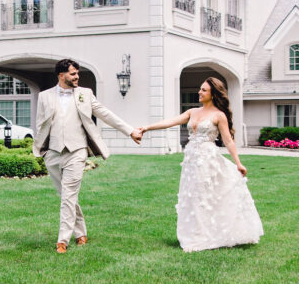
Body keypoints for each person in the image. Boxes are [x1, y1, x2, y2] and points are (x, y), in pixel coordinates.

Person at [140, 77, 263, 252]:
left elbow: (228, 141)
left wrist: (238, 163)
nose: (199, 92)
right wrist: (146, 128)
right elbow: (170, 122)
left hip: (207, 159)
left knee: (204, 196)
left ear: (213, 94)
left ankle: (207, 235)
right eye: (200, 89)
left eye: (204, 90)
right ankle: (194, 234)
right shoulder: (192, 112)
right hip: (191, 159)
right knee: (191, 196)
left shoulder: (219, 115)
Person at [33, 59, 143, 253]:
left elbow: (106, 114)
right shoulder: (44, 96)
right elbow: (41, 124)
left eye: (77, 74)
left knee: (68, 195)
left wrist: (130, 130)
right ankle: (80, 232)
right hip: (53, 152)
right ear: (61, 75)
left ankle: (62, 241)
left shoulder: (85, 94)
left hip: (76, 151)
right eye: (73, 74)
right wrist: (41, 149)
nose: (77, 77)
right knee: (66, 196)